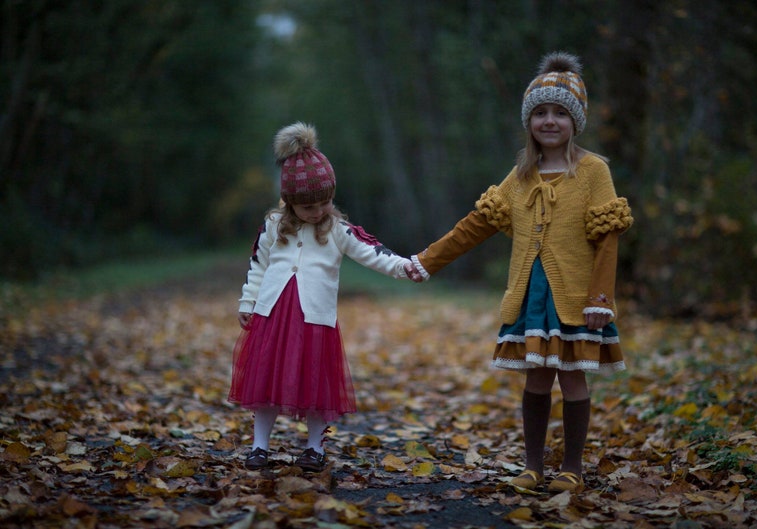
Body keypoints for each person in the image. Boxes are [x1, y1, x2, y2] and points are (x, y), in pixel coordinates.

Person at [411, 52, 633, 493]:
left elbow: (608, 238)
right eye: (540, 113)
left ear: (576, 120)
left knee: (572, 376)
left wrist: (601, 299)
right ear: (529, 121)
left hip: (575, 297)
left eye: (559, 113)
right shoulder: (521, 176)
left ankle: (572, 467)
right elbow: (475, 226)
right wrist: (426, 260)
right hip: (531, 295)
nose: (549, 121)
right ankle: (532, 466)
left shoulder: (592, 171)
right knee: (536, 377)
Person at [229, 122, 422, 472]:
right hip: (272, 317)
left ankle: (315, 447)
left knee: (315, 385)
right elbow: (258, 264)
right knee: (266, 381)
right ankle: (259, 445)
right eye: (307, 207)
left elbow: (372, 252)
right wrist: (248, 302)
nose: (317, 211)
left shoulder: (337, 229)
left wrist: (404, 267)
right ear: (289, 203)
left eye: (324, 203)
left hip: (314, 319)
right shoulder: (274, 225)